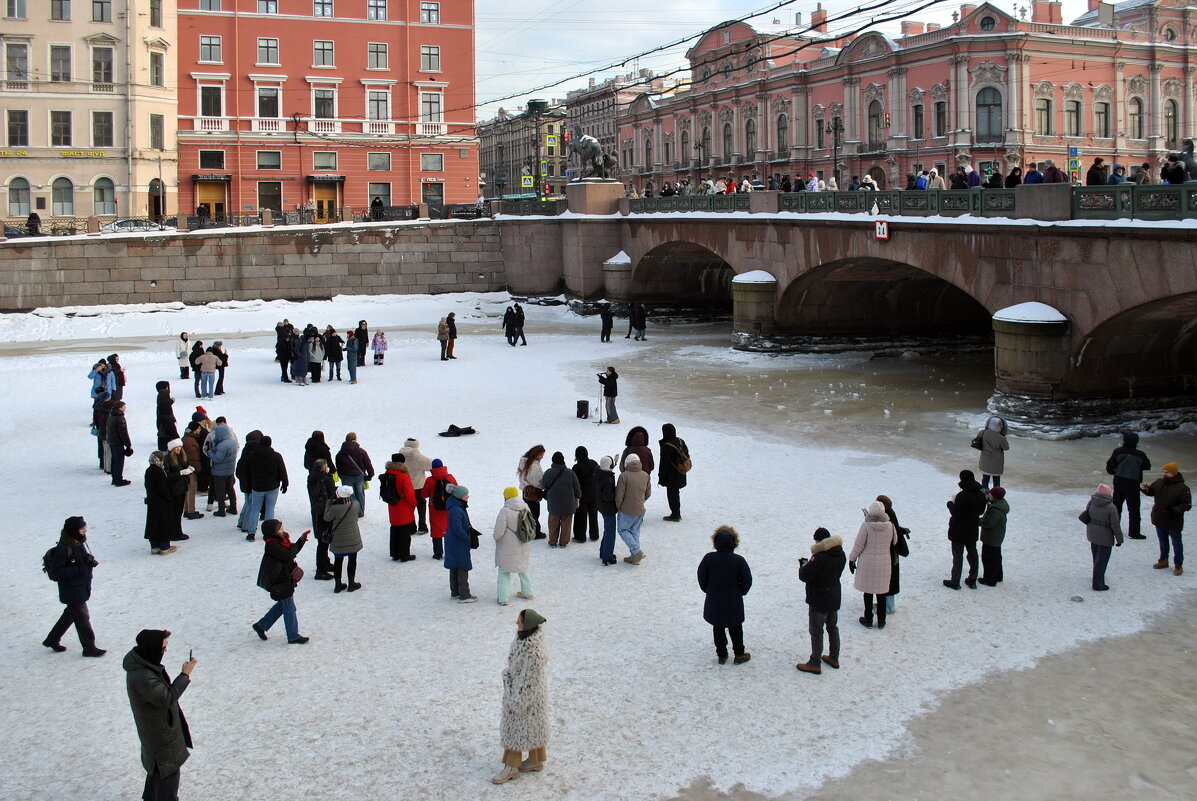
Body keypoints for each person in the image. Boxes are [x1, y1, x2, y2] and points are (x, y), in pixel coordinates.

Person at [124, 629, 196, 801]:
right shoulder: (143, 676)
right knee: (167, 774)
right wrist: (185, 674)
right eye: (163, 648)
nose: (165, 651)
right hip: (161, 736)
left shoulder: (144, 665)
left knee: (158, 772)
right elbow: (167, 698)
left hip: (159, 732)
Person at [491, 609, 550, 784]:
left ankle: (511, 766)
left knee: (514, 729)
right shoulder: (523, 641)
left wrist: (516, 702)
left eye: (520, 621)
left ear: (528, 625)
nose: (517, 623)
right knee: (534, 725)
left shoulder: (533, 653)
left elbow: (528, 682)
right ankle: (536, 760)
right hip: (528, 695)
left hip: (525, 697)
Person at [43, 516, 106, 656]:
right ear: (74, 530)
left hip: (79, 587)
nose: (85, 531)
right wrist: (80, 569)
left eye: (85, 528)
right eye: (82, 529)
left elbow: (79, 561)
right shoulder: (64, 548)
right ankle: (89, 647)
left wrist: (87, 561)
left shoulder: (77, 542)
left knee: (71, 615)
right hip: (72, 590)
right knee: (83, 618)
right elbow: (56, 571)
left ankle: (52, 639)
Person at [696, 526, 753, 665]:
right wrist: (741, 591)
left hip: (714, 600)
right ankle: (739, 654)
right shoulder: (739, 560)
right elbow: (747, 580)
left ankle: (721, 654)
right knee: (736, 627)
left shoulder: (709, 558)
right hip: (734, 600)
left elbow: (701, 575)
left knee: (718, 627)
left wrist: (707, 589)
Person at [796, 527, 846, 674]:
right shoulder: (840, 553)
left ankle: (814, 662)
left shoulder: (819, 557)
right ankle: (834, 657)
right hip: (834, 596)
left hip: (819, 599)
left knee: (816, 631)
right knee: (832, 627)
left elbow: (805, 576)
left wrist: (804, 566)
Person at [252, 520, 310, 644]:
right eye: (279, 529)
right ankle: (293, 636)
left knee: (283, 605)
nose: (282, 530)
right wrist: (295, 545)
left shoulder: (279, 542)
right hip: (280, 580)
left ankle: (261, 625)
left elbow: (290, 552)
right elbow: (289, 556)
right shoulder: (272, 545)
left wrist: (301, 541)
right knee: (289, 608)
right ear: (273, 531)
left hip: (283, 578)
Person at [849, 501, 896, 629]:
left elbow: (859, 545)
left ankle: (868, 618)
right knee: (881, 592)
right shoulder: (890, 525)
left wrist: (852, 559)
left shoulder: (866, 526)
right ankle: (882, 620)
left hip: (867, 563)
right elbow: (895, 541)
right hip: (884, 563)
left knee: (868, 592)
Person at [1142, 462, 1191, 576]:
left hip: (1173, 520)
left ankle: (1178, 565)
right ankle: (1163, 560)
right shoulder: (1159, 482)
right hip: (1159, 518)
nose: (1164, 474)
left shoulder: (1182, 488)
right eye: (1163, 472)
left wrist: (1175, 510)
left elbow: (1187, 504)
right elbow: (1151, 492)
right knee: (1163, 541)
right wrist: (1146, 489)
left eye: (1167, 472)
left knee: (1176, 543)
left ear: (1173, 473)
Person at [944, 470, 987, 589]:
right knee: (973, 554)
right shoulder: (980, 495)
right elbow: (981, 511)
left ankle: (955, 581)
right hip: (972, 528)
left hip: (959, 529)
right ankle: (972, 580)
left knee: (958, 556)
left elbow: (956, 513)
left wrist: (950, 504)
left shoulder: (962, 495)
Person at [1106, 432, 1151, 539]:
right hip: (1134, 484)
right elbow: (1147, 466)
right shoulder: (1140, 454)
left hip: (1119, 482)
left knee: (1116, 507)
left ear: (1124, 440)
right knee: (1134, 509)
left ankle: (1113, 530)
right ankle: (1134, 533)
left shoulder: (1118, 451)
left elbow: (1110, 467)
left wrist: (1117, 472)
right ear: (1136, 441)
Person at [494, 487, 534, 605]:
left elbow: (498, 532)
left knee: (504, 571)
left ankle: (503, 598)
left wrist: (496, 538)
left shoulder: (505, 511)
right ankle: (528, 592)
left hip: (507, 547)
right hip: (523, 544)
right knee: (523, 569)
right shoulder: (525, 506)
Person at [244, 435, 289, 542]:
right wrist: (285, 483)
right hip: (273, 487)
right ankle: (269, 533)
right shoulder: (276, 456)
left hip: (257, 487)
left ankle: (251, 533)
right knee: (270, 509)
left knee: (255, 509)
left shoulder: (252, 455)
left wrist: (248, 486)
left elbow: (246, 472)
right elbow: (282, 471)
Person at [1083, 484, 1123, 591]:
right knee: (1102, 560)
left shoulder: (1092, 502)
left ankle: (1096, 577)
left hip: (1092, 533)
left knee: (1096, 557)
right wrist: (1119, 539)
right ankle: (1098, 584)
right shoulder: (1111, 507)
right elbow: (1115, 525)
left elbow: (1087, 513)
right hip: (1105, 537)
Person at [325, 485, 363, 592]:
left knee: (338, 561)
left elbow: (326, 517)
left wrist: (329, 503)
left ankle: (338, 585)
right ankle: (352, 583)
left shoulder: (334, 508)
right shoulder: (355, 505)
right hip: (353, 538)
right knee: (352, 560)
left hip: (339, 539)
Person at [876, 494, 909, 613]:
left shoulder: (886, 517)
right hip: (891, 554)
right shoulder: (890, 514)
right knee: (890, 580)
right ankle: (888, 605)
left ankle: (889, 607)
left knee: (888, 580)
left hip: (888, 554)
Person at [615, 453, 650, 564]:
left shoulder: (624, 476)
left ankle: (636, 551)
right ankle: (635, 557)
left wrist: (619, 506)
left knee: (623, 530)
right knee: (635, 532)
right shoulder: (645, 475)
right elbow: (648, 493)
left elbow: (619, 494)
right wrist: (640, 501)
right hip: (640, 509)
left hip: (626, 510)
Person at [541, 451, 581, 548]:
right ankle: (563, 542)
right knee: (566, 524)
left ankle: (552, 541)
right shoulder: (570, 472)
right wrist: (577, 498)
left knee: (553, 523)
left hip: (553, 504)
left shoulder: (548, 472)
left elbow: (543, 485)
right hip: (568, 504)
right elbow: (577, 488)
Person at [382, 454, 418, 562]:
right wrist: (414, 503)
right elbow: (409, 494)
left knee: (395, 530)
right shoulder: (403, 476)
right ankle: (404, 555)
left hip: (392, 507)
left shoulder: (387, 474)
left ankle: (395, 553)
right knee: (404, 533)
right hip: (404, 508)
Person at [444, 484, 476, 602]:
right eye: (466, 495)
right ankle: (464, 595)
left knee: (454, 567)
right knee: (462, 567)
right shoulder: (457, 509)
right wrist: (467, 537)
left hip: (452, 542)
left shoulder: (455, 506)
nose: (468, 496)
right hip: (458, 543)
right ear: (460, 496)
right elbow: (457, 528)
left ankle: (455, 592)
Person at [307, 458, 336, 580]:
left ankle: (325, 563)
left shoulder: (311, 478)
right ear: (324, 468)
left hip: (316, 511)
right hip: (325, 512)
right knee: (324, 541)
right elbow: (332, 495)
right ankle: (321, 570)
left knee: (322, 540)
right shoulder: (326, 479)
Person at [145, 452, 179, 555]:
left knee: (153, 523)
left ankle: (154, 547)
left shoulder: (148, 470)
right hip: (162, 502)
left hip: (152, 501)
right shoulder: (159, 471)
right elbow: (162, 488)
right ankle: (165, 547)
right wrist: (169, 497)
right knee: (164, 524)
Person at [423, 458, 458, 558]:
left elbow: (424, 494)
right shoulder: (450, 477)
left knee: (436, 531)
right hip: (449, 508)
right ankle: (450, 552)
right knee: (448, 529)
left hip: (435, 510)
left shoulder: (429, 480)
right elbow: (457, 490)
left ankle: (438, 553)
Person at [335, 432, 374, 517]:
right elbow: (368, 464)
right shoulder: (361, 451)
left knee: (349, 494)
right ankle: (360, 512)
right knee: (360, 494)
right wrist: (370, 475)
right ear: (355, 439)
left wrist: (341, 476)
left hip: (346, 477)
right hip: (359, 476)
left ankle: (353, 512)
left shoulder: (340, 454)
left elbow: (338, 467)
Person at [401, 438, 433, 533]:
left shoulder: (401, 455)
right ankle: (422, 526)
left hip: (406, 486)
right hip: (419, 486)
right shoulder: (417, 457)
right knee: (421, 505)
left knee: (409, 507)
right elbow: (431, 464)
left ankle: (411, 527)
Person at [658, 423, 688, 522]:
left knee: (672, 495)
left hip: (671, 475)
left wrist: (661, 477)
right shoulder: (680, 441)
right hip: (681, 471)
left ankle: (675, 514)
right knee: (675, 493)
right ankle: (676, 512)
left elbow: (664, 464)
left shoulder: (667, 446)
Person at [978, 487, 1009, 586]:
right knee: (996, 558)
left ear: (996, 496)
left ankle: (989, 579)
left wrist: (976, 521)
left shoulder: (996, 509)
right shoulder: (999, 505)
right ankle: (998, 576)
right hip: (996, 537)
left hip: (991, 537)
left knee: (988, 558)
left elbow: (989, 523)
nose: (989, 495)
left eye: (991, 494)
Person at [571, 446, 599, 543]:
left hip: (582, 496)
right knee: (593, 516)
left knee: (580, 517)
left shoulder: (576, 468)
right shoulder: (594, 463)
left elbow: (573, 483)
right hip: (594, 494)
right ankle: (594, 535)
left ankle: (580, 536)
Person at [517, 446, 546, 537]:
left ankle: (526, 529)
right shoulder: (534, 466)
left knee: (527, 512)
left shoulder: (524, 461)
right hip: (533, 493)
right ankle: (536, 533)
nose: (542, 456)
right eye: (541, 454)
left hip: (526, 490)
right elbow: (537, 482)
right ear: (537, 454)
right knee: (535, 514)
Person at [595, 456, 619, 565]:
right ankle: (607, 556)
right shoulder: (608, 479)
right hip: (608, 508)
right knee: (610, 532)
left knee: (607, 529)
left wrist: (614, 463)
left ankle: (603, 552)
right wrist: (616, 491)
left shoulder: (598, 473)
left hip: (601, 506)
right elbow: (608, 496)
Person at [978, 415, 1009, 490]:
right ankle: (996, 495)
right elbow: (1006, 448)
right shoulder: (1001, 437)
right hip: (997, 461)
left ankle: (984, 494)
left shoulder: (982, 432)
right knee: (996, 480)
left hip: (985, 459)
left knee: (985, 479)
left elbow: (978, 441)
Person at [107, 400, 133, 486]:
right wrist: (128, 445)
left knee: (114, 460)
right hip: (118, 442)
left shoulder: (111, 416)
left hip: (112, 441)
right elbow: (123, 433)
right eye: (124, 406)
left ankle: (115, 478)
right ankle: (118, 479)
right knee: (119, 461)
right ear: (120, 408)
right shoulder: (120, 418)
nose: (125, 408)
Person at [155, 381, 178, 452]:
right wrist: (177, 439)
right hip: (168, 442)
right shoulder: (166, 415)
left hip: (163, 441)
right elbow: (172, 431)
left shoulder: (161, 407)